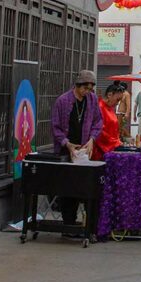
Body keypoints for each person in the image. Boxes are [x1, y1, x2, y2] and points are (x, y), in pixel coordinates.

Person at [50, 70, 103, 227]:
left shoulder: (92, 99)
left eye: (90, 89)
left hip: (84, 151)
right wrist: (66, 143)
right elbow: (55, 127)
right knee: (68, 189)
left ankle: (89, 225)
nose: (87, 92)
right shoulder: (63, 101)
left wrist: (93, 139)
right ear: (78, 85)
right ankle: (68, 224)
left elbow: (98, 122)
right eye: (85, 88)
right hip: (67, 150)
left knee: (86, 187)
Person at [94, 83, 124, 160]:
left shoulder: (110, 108)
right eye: (117, 100)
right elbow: (100, 131)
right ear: (109, 95)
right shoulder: (100, 108)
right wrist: (115, 142)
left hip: (111, 147)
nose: (118, 103)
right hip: (100, 151)